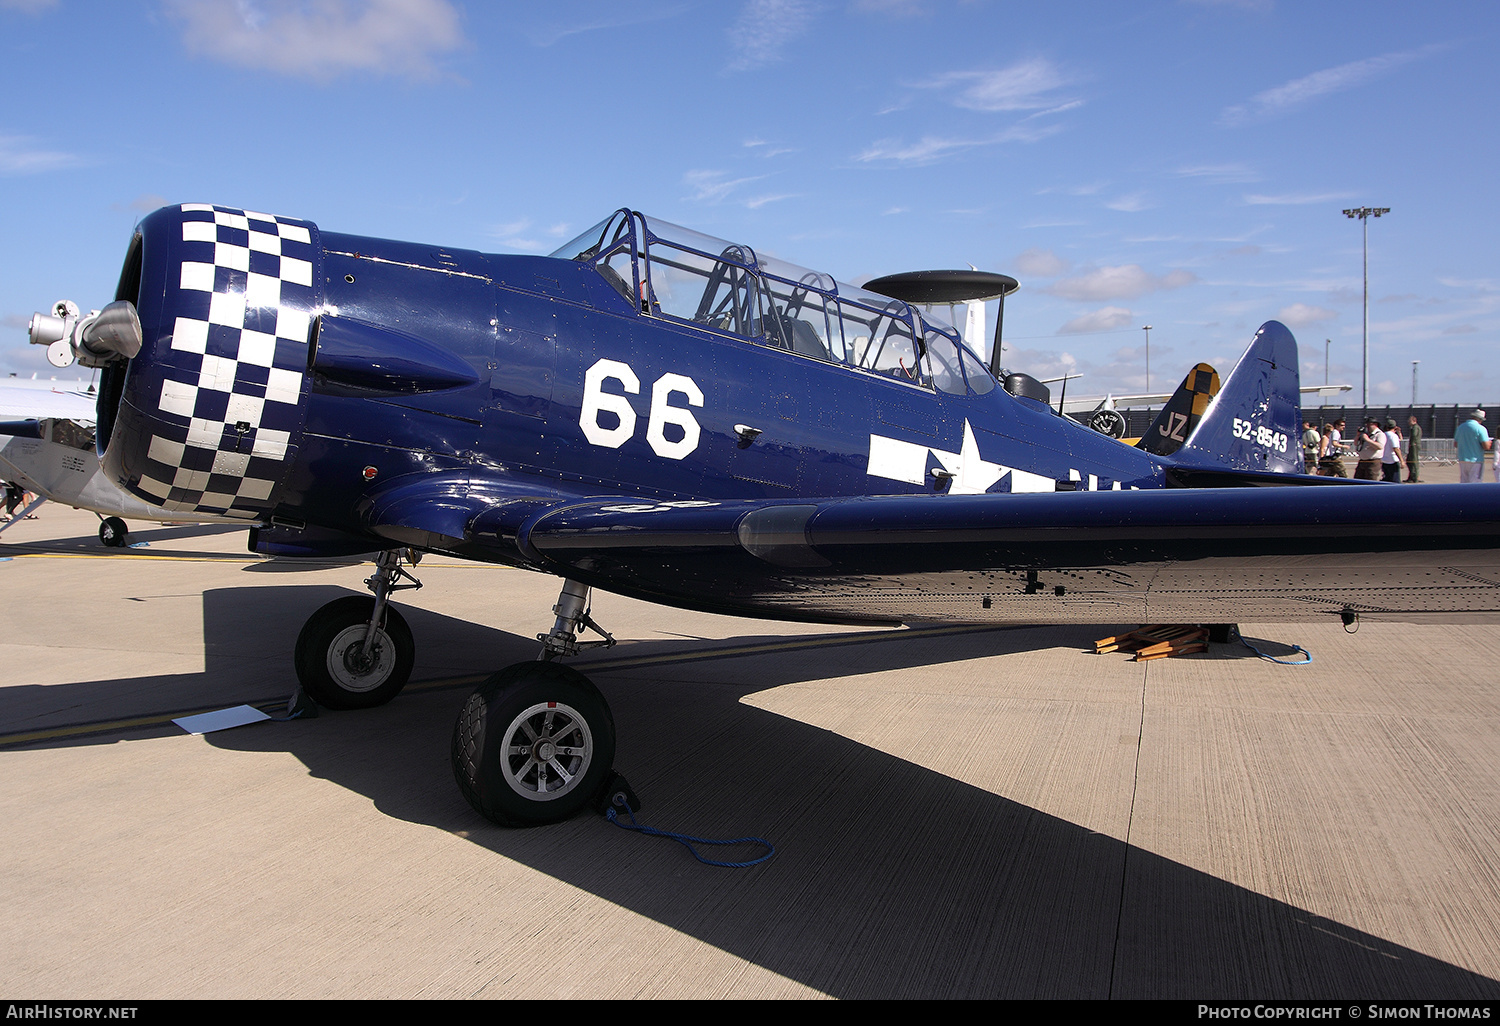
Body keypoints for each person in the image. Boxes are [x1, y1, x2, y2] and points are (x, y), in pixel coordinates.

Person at [1455, 409, 1490, 483]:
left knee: (1464, 481)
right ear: (1480, 419)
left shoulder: (1460, 427)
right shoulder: (1480, 428)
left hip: (1462, 459)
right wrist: (1489, 443)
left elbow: (1456, 444)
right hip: (1476, 460)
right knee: (1475, 482)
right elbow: (1486, 446)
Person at [1405, 415, 1422, 483]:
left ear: (1414, 421)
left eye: (1410, 421)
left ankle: (1414, 477)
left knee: (1413, 461)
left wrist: (1412, 443)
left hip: (1414, 446)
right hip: (1415, 445)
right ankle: (1412, 476)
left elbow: (1414, 435)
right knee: (1410, 461)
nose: (1409, 423)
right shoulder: (1416, 427)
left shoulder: (1415, 428)